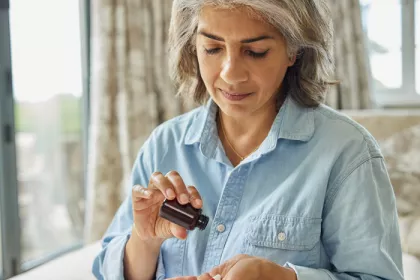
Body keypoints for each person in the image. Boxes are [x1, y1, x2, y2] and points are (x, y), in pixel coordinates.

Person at [92, 1, 404, 279]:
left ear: (293, 50)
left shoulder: (346, 152)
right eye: (213, 49)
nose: (231, 74)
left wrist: (284, 279)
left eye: (255, 52)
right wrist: (143, 240)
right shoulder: (164, 144)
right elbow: (108, 269)